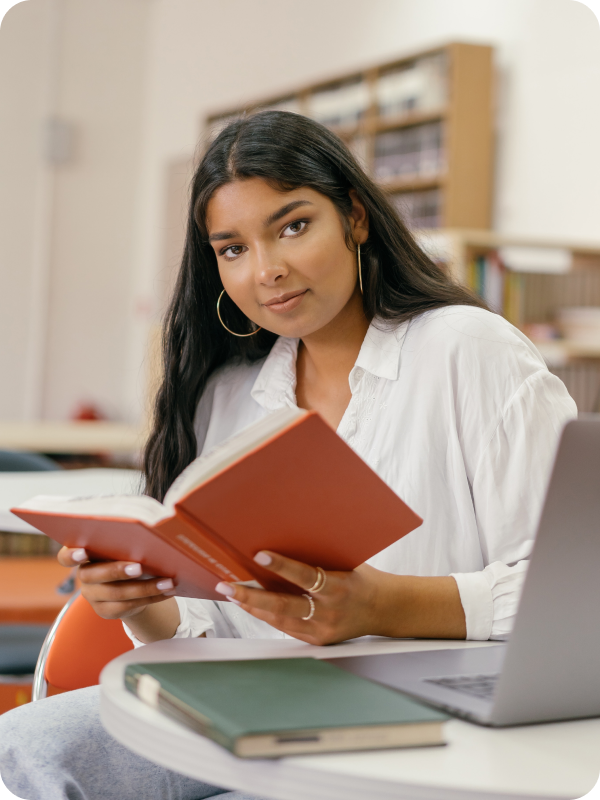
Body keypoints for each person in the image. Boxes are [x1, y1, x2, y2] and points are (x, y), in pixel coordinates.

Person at [0, 111, 576, 800]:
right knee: (22, 749)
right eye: (232, 248)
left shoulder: (467, 351)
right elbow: (206, 628)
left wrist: (381, 607)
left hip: (422, 715)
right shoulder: (229, 394)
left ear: (355, 218)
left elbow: (571, 598)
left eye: (293, 226)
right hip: (248, 695)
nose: (267, 271)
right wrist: (135, 601)